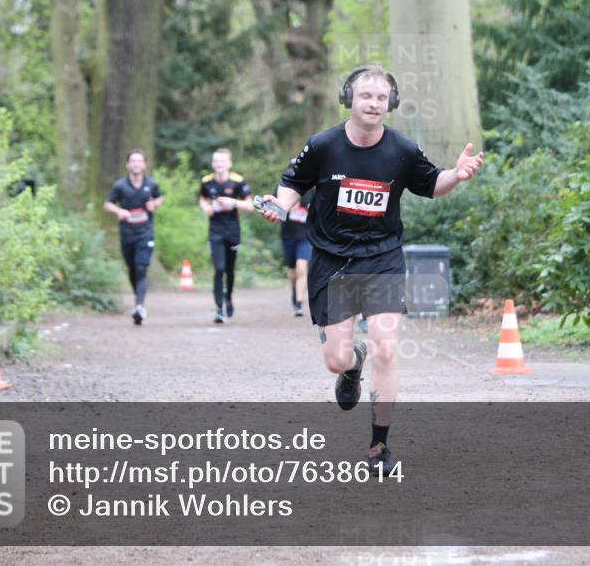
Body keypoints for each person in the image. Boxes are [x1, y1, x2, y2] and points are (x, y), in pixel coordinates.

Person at [258, 64, 484, 473]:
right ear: (350, 99)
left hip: (382, 258)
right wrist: (281, 205)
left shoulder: (401, 150)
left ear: (391, 103)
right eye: (366, 96)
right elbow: (292, 181)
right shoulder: (324, 145)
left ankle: (379, 446)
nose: (374, 104)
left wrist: (458, 175)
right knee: (335, 359)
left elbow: (433, 183)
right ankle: (352, 365)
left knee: (387, 344)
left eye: (382, 97)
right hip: (332, 260)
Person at [104, 149, 164, 326]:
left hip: (145, 232)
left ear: (144, 164)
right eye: (133, 161)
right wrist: (119, 211)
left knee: (141, 267)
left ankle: (139, 306)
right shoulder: (120, 186)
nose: (136, 164)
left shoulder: (151, 184)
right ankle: (138, 298)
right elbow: (108, 204)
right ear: (128, 165)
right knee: (132, 269)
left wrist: (154, 204)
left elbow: (160, 198)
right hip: (127, 233)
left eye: (139, 161)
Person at [199, 148, 254, 323]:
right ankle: (218, 307)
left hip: (232, 230)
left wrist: (234, 202)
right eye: (216, 161)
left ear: (229, 163)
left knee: (229, 269)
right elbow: (202, 198)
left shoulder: (238, 181)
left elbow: (250, 205)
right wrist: (206, 207)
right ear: (212, 164)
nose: (219, 164)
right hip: (215, 230)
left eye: (222, 161)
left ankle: (228, 296)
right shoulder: (207, 182)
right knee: (219, 268)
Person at [280, 173, 315, 317]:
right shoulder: (283, 188)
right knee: (293, 272)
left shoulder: (312, 191)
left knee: (302, 266)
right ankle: (295, 291)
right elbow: (274, 208)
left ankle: (299, 303)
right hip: (288, 235)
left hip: (306, 236)